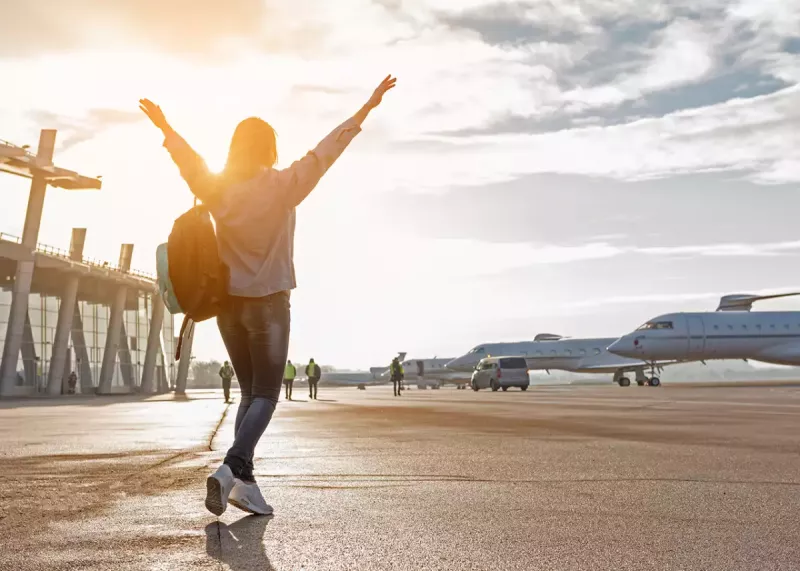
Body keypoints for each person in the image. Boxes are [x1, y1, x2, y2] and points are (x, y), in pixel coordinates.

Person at [139, 74, 396, 517]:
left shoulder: (217, 188)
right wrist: (366, 109)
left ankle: (245, 485)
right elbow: (327, 150)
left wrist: (165, 127)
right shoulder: (285, 184)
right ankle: (231, 467)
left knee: (247, 394)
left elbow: (189, 162)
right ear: (269, 150)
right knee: (266, 395)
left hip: (227, 310)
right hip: (270, 303)